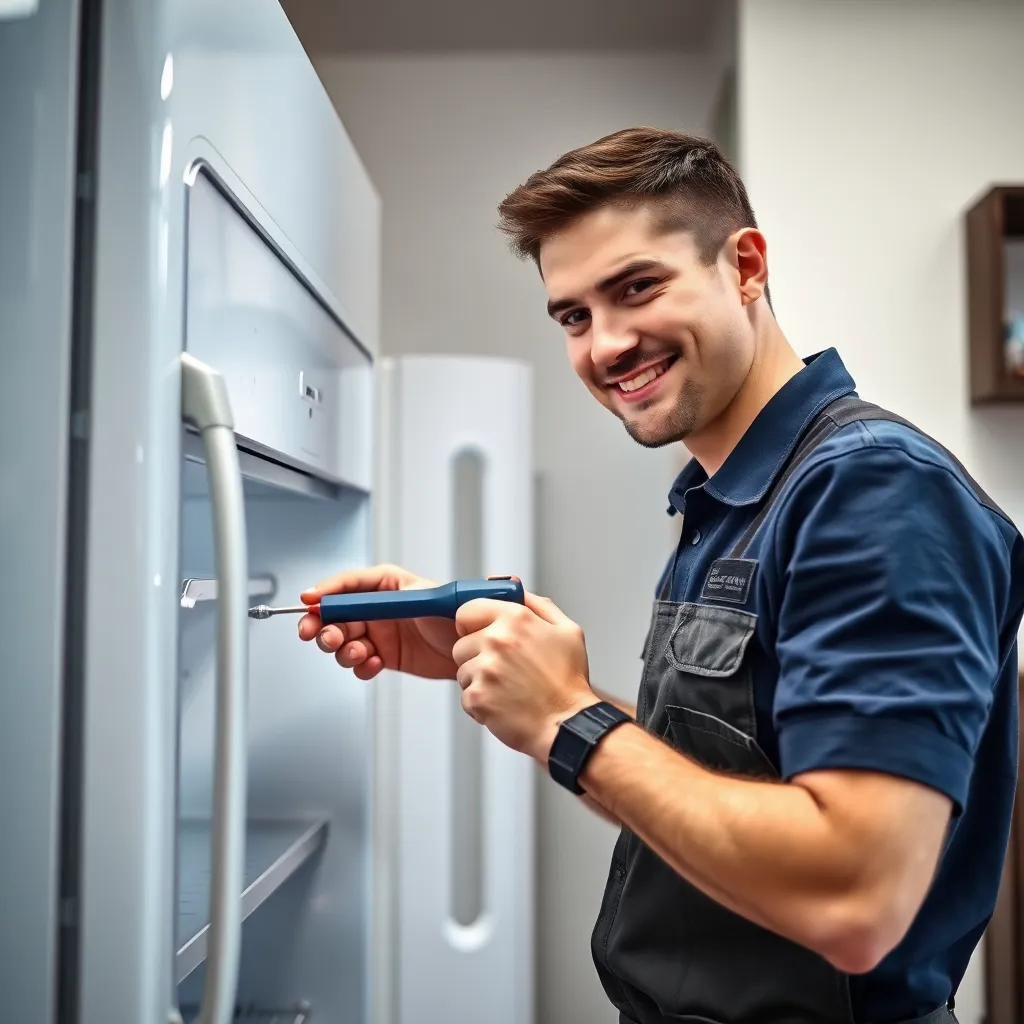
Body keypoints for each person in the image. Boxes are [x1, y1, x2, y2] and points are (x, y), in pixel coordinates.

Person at [298, 128, 1024, 1024]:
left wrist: (569, 719)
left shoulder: (874, 489)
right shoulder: (730, 499)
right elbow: (734, 792)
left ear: (746, 266)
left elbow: (857, 897)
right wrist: (529, 684)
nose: (605, 345)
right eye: (573, 316)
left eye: (636, 287)